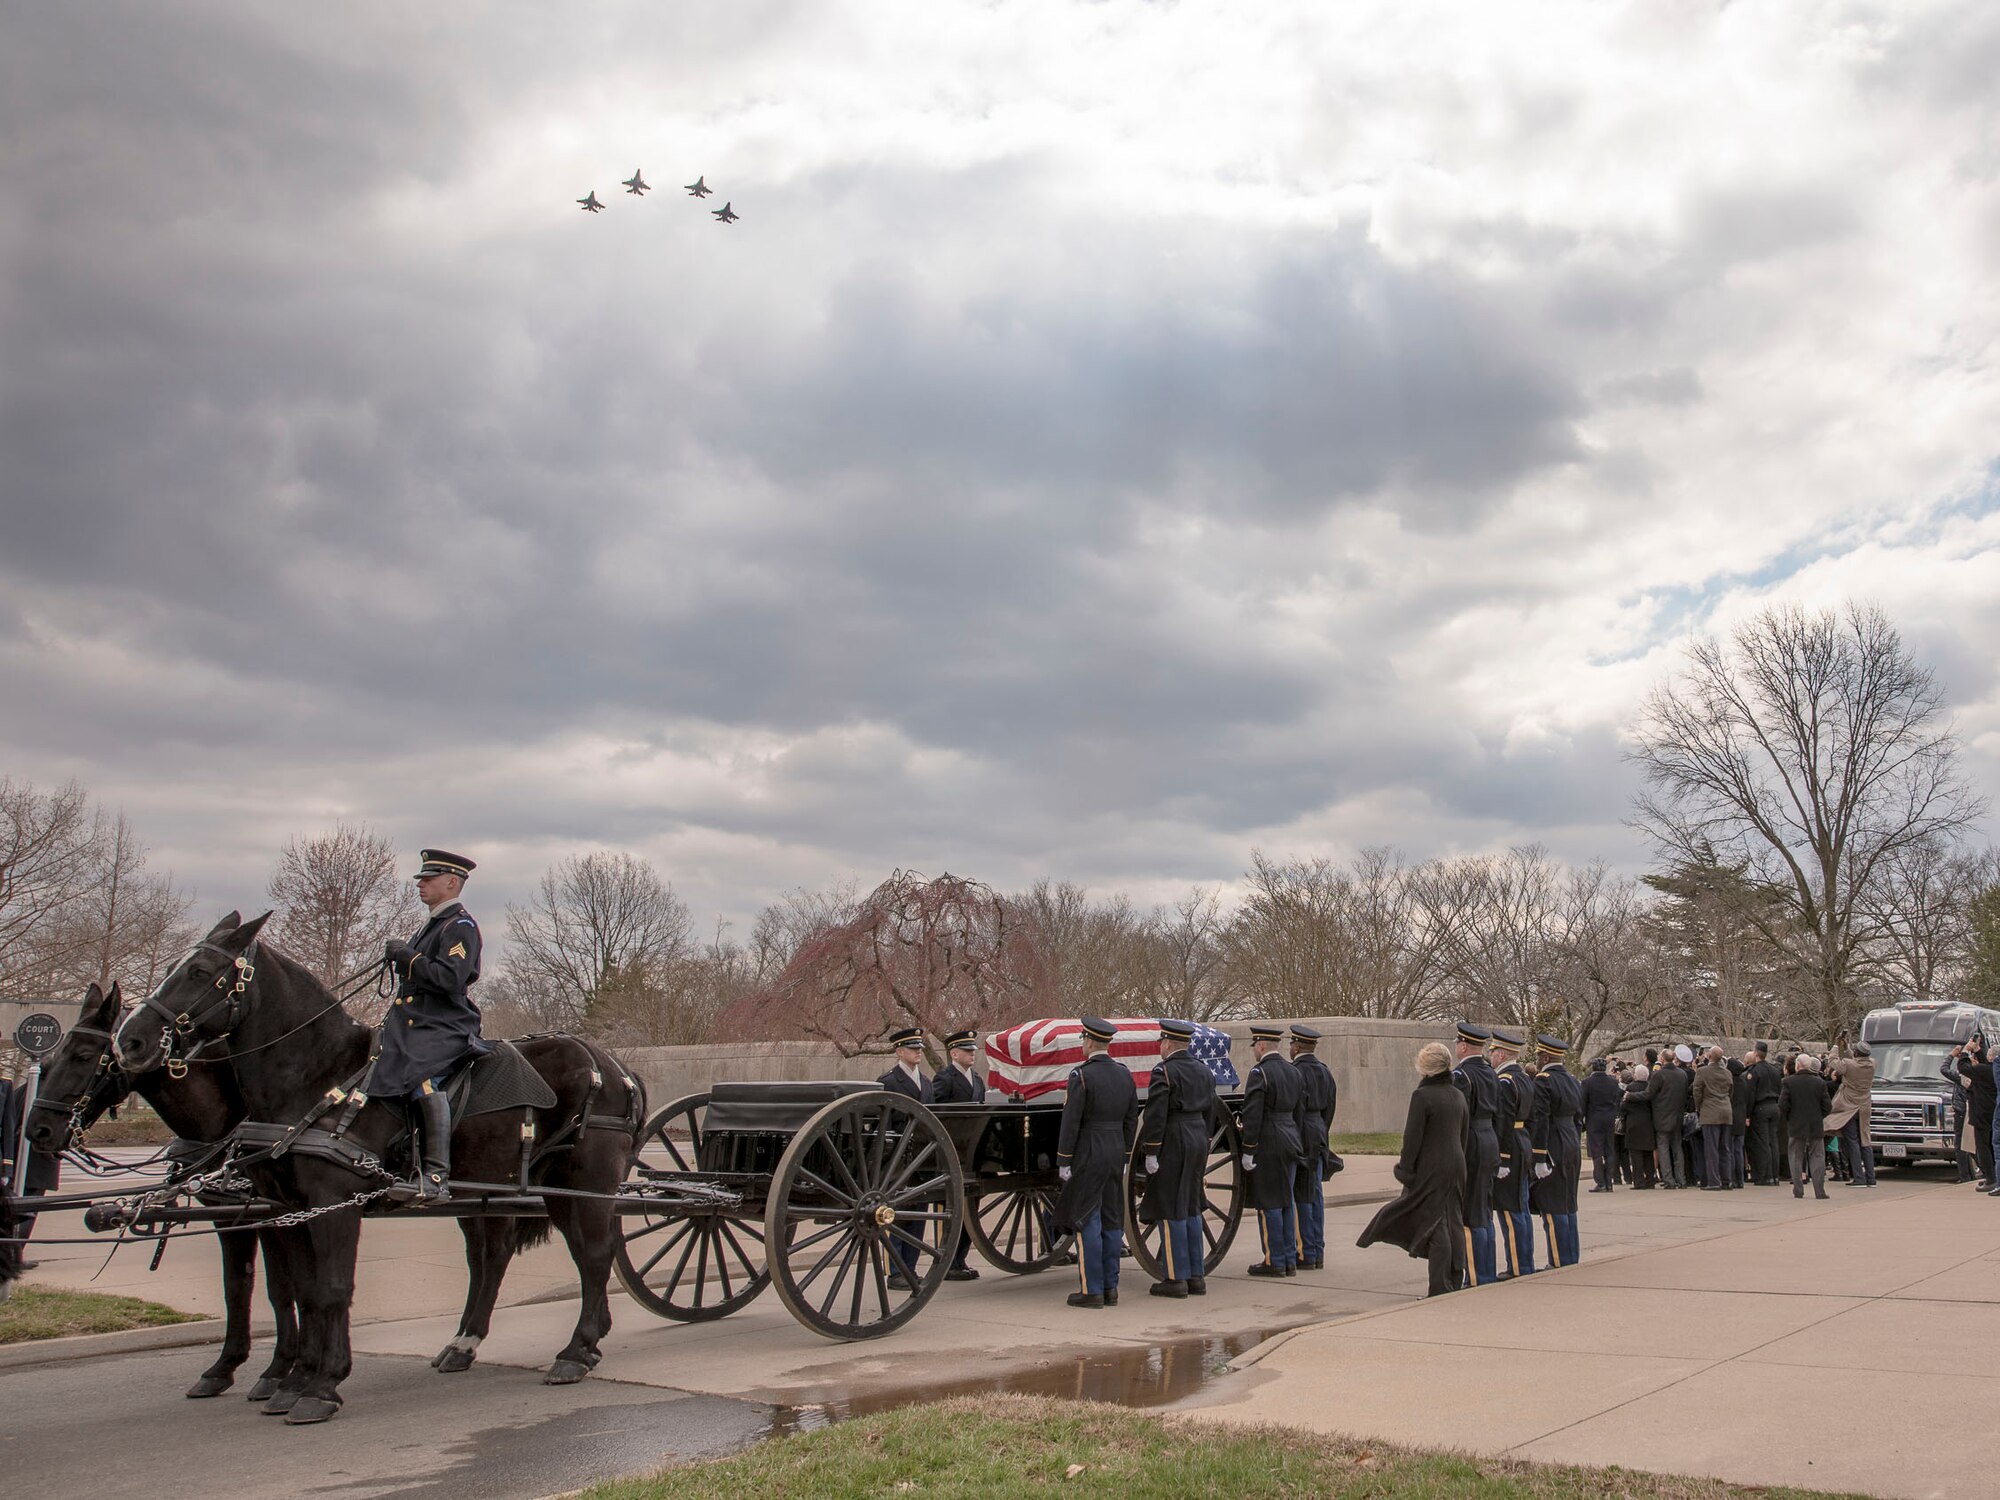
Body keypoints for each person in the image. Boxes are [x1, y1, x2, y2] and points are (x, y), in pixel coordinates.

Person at [372, 849, 489, 1203]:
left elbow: (451, 979)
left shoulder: (460, 926)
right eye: (421, 879)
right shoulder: (434, 924)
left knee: (424, 1078)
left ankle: (436, 1175)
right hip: (415, 1023)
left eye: (428, 879)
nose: (421, 885)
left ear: (452, 882)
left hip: (444, 1024)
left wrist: (408, 957)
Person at [1358, 1042, 1468, 1297]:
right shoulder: (1457, 1095)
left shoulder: (1422, 1097)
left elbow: (1413, 1138)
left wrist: (1405, 1170)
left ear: (1425, 1068)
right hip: (1455, 1164)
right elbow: (1463, 1135)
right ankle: (1455, 1278)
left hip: (1432, 1166)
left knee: (1435, 1223)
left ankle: (1440, 1287)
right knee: (1453, 1220)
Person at [1054, 1016, 1138, 1309]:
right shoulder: (1124, 1075)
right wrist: (1126, 1154)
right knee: (1113, 1220)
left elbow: (1071, 1122)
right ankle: (1111, 1288)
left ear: (1089, 1041)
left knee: (1087, 1218)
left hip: (1089, 1150)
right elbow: (1131, 1118)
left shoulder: (1081, 1076)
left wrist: (1064, 1159)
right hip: (1115, 1150)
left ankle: (1092, 1290)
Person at [1138, 1017, 1218, 1298]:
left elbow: (1156, 1115)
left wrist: (1150, 1150)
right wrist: (1204, 1139)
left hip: (1174, 1139)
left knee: (1171, 1207)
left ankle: (1175, 1277)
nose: (1160, 1046)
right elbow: (1211, 1110)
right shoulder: (1204, 1070)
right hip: (1198, 1136)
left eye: (1161, 1042)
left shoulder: (1164, 1072)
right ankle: (1196, 1275)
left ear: (1169, 1043)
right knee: (1191, 1205)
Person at [1240, 1023, 1305, 1277]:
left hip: (1268, 1141)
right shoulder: (1293, 1072)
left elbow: (1253, 1115)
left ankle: (1274, 1260)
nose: (1254, 1051)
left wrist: (1248, 1148)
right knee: (1286, 1200)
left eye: (1255, 1046)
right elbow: (1299, 1110)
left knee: (1269, 1203)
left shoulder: (1260, 1073)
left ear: (1262, 1045)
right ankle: (1288, 1259)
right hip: (1290, 1137)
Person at [928, 1029, 984, 1279]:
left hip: (972, 1153)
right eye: (967, 1051)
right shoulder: (944, 1079)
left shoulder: (978, 1080)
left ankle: (959, 1259)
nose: (973, 1054)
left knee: (969, 1211)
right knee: (950, 1209)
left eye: (973, 1050)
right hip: (951, 1151)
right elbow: (937, 1116)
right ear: (954, 1053)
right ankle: (946, 1261)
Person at [1450, 1022, 1503, 1285]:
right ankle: (1486, 1269)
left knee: (1470, 1212)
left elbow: (1458, 1115)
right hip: (1489, 1139)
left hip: (1471, 1140)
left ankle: (1475, 1275)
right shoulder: (1491, 1072)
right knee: (1484, 1208)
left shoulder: (1461, 1076)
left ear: (1462, 1046)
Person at [1529, 1034, 1584, 1267]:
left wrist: (1539, 1155)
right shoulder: (1571, 1079)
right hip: (1570, 1138)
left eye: (1539, 1057)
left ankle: (1559, 1260)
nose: (1538, 1060)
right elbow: (1580, 1116)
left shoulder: (1544, 1080)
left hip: (1553, 1142)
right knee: (1568, 1202)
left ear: (1545, 1056)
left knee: (1552, 1204)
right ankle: (1570, 1256)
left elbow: (1540, 1120)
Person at [1489, 1031, 1537, 1278]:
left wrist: (1503, 1157)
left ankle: (1518, 1266)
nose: (1491, 1057)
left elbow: (1504, 1121)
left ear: (1501, 1054)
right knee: (1521, 1206)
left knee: (1510, 1208)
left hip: (1511, 1145)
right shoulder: (1524, 1078)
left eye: (1493, 1053)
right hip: (1523, 1141)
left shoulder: (1505, 1081)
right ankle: (1525, 1262)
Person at [1288, 1024, 1336, 1271]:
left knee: (1302, 1194)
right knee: (1315, 1193)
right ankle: (1317, 1249)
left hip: (1303, 1132)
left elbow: (1296, 1109)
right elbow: (1330, 1107)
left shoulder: (1296, 1072)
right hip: (1319, 1132)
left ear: (1296, 1046)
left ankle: (1304, 1251)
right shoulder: (1325, 1072)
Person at [1825, 1044, 1877, 1189]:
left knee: (1852, 1141)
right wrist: (1846, 1047)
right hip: (1865, 1106)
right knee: (1865, 1141)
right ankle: (1871, 1178)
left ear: (1856, 1053)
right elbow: (1854, 1059)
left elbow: (1833, 1061)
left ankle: (1859, 1177)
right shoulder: (1872, 1064)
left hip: (1848, 1107)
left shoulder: (1848, 1065)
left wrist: (1836, 1047)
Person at [1781, 1053, 1831, 1199]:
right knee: (1818, 1156)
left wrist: (1791, 1117)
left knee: (1795, 1157)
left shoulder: (1788, 1082)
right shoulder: (1820, 1083)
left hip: (1796, 1124)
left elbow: (1783, 1104)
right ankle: (1819, 1190)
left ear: (1797, 1065)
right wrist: (1818, 1116)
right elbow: (1827, 1106)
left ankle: (1798, 1189)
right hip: (1815, 1124)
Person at [1645, 1044, 1691, 1189]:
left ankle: (1669, 1179)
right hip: (1677, 1116)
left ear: (1663, 1059)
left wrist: (1631, 1095)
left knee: (1663, 1148)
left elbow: (1649, 1093)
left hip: (1662, 1116)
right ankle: (1681, 1179)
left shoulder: (1659, 1075)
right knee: (1677, 1149)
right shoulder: (1682, 1074)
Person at [1956, 1035, 1997, 1188]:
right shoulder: (1993, 1070)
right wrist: (1978, 1050)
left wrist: (1965, 1051)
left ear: (1991, 1057)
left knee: (1983, 1146)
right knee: (1994, 1145)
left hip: (1982, 1113)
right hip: (1993, 1112)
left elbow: (1963, 1068)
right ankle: (1994, 1176)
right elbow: (1987, 1064)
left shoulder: (1982, 1071)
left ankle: (1990, 1178)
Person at [1691, 1047, 1734, 1191]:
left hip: (1709, 1111)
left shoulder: (1702, 1072)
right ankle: (1726, 1179)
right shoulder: (1727, 1073)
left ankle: (1714, 1181)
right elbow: (1730, 1091)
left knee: (1711, 1149)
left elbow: (1697, 1091)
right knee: (1725, 1148)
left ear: (1709, 1056)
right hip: (1726, 1110)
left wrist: (1699, 1107)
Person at [1581, 1058, 1621, 1193]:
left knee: (1596, 1151)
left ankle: (1601, 1182)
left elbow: (1583, 1103)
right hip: (1609, 1119)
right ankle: (1609, 1182)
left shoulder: (1587, 1083)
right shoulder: (1613, 1082)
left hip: (1594, 1119)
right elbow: (1617, 1101)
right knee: (1609, 1150)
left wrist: (1581, 1120)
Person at [1747, 1043, 1784, 1186]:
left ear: (1756, 1053)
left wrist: (1747, 1114)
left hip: (1761, 1108)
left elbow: (1751, 1095)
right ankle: (1775, 1175)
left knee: (1763, 1143)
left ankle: (1765, 1175)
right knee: (1773, 1142)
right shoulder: (1774, 1071)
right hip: (1774, 1106)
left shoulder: (1754, 1071)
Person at [1619, 1064, 1657, 1189]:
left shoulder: (1630, 1088)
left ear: (1635, 1075)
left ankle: (1639, 1181)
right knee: (1648, 1154)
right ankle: (1651, 1179)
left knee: (1635, 1155)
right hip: (1648, 1123)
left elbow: (1623, 1107)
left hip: (1633, 1123)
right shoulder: (1650, 1088)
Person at [1942, 1046, 1975, 1183]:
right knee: (1974, 1143)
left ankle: (1965, 1175)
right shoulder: (1977, 1074)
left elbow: (1944, 1069)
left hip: (1961, 1111)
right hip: (1972, 1110)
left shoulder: (1963, 1077)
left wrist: (1951, 1055)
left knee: (1961, 1145)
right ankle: (1981, 1171)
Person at [876, 1026, 931, 1102]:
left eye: (919, 1048)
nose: (918, 1051)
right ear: (900, 1052)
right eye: (913, 1048)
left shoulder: (927, 1082)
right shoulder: (887, 1082)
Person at [1727, 1054, 1752, 1189]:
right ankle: (1740, 1178)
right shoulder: (1744, 1082)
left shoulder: (1729, 1082)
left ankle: (1731, 1178)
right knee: (1739, 1149)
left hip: (1731, 1117)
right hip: (1741, 1117)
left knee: (1729, 1149)